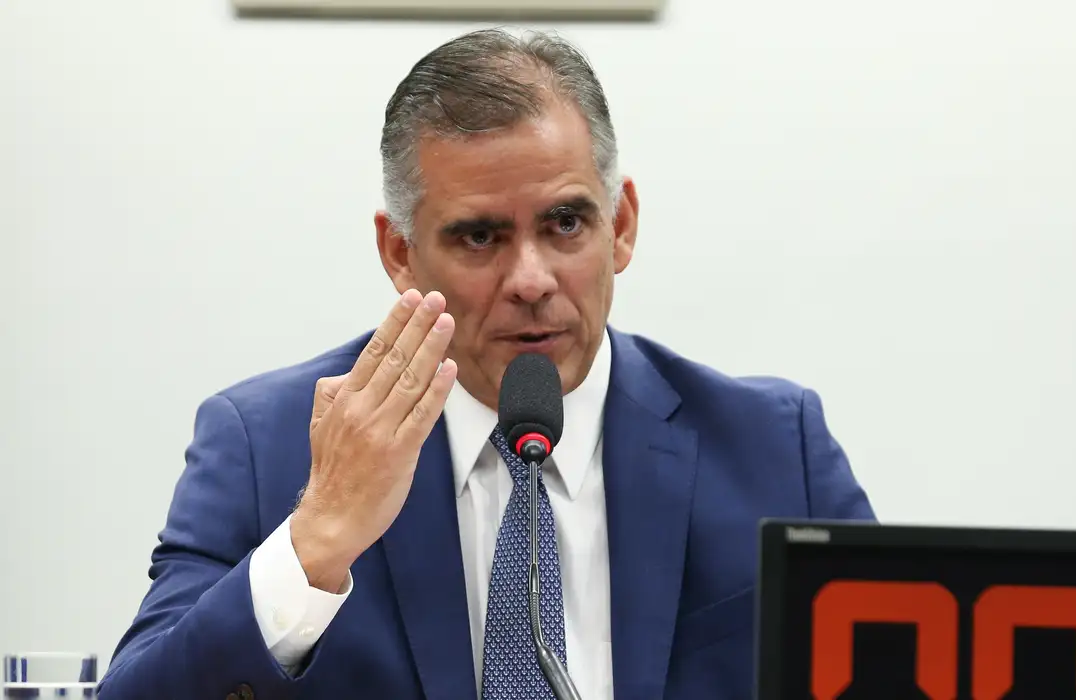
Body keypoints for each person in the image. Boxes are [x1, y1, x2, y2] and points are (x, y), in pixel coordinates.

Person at [99, 27, 875, 700]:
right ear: (399, 253)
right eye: (479, 237)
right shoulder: (265, 447)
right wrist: (317, 540)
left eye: (565, 223)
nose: (531, 280)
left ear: (621, 226)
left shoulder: (775, 448)